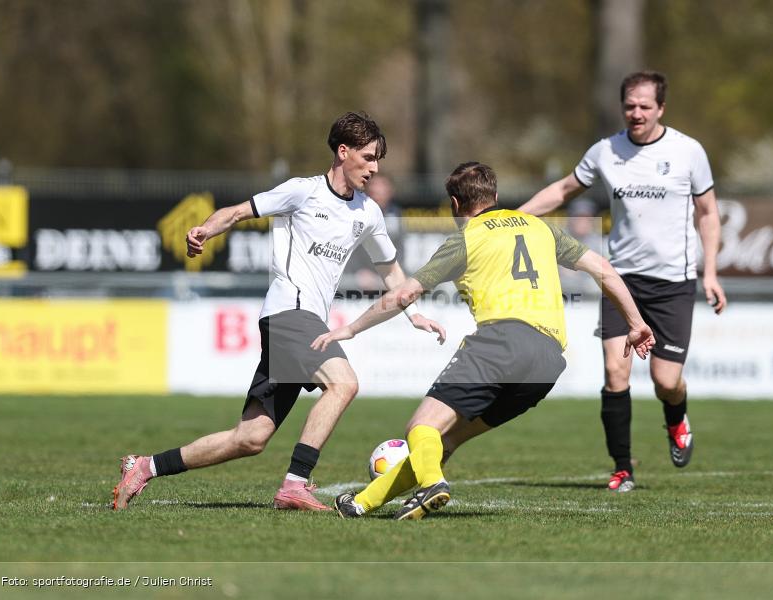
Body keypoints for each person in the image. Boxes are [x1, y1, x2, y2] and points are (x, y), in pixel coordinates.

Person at [112, 112, 444, 511]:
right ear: (343, 152)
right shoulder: (303, 192)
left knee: (250, 438)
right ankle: (295, 484)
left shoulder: (368, 213)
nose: (374, 168)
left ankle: (145, 466)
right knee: (344, 384)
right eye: (368, 157)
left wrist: (413, 312)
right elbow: (237, 211)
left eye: (378, 161)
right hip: (289, 312)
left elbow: (390, 270)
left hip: (306, 321)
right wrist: (204, 230)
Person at [312, 161, 655, 520]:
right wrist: (635, 323)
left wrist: (351, 328)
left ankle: (432, 484)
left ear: (455, 205)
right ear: (495, 195)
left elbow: (403, 294)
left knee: (421, 428)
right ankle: (362, 503)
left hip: (501, 342)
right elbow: (604, 269)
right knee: (444, 441)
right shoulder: (539, 227)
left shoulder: (466, 239)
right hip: (548, 361)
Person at [519, 71, 728, 493]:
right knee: (616, 372)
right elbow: (563, 190)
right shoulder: (605, 151)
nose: (636, 113)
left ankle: (676, 416)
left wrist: (710, 272)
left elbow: (708, 212)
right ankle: (621, 469)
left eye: (645, 106)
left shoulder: (688, 151)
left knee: (666, 382)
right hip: (621, 279)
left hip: (672, 283)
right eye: (630, 105)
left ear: (661, 108)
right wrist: (514, 218)